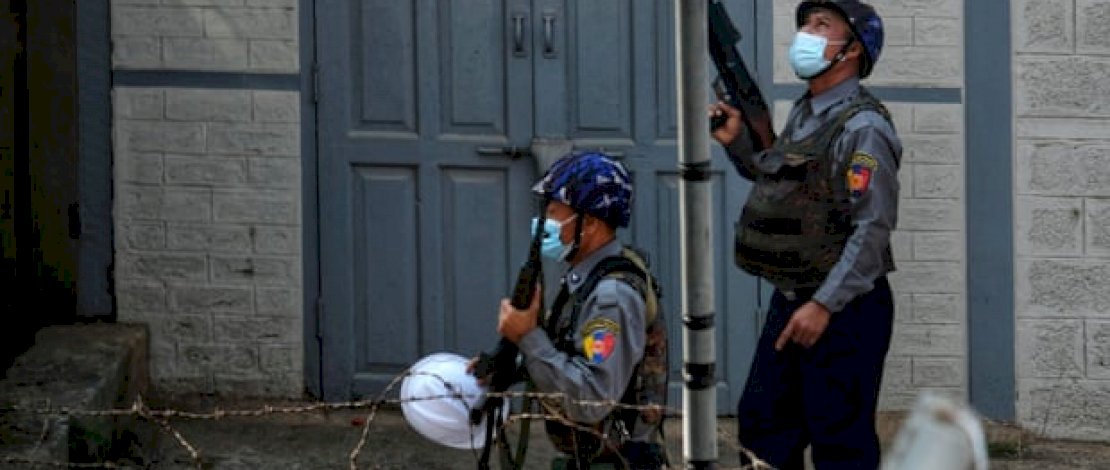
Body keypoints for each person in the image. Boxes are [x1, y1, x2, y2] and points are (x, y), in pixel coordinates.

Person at [708, 1, 902, 468]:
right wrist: (739, 140)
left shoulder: (865, 128)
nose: (805, 34)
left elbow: (872, 229)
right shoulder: (805, 113)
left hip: (844, 309)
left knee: (840, 442)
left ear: (852, 49)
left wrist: (823, 305)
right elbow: (784, 184)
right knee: (763, 428)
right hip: (795, 300)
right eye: (805, 24)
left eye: (821, 25)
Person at [492, 151, 668, 470]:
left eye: (555, 211)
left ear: (590, 223)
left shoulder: (611, 297)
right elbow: (571, 353)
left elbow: (591, 398)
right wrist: (508, 364)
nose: (545, 219)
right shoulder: (584, 280)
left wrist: (528, 337)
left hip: (618, 462)